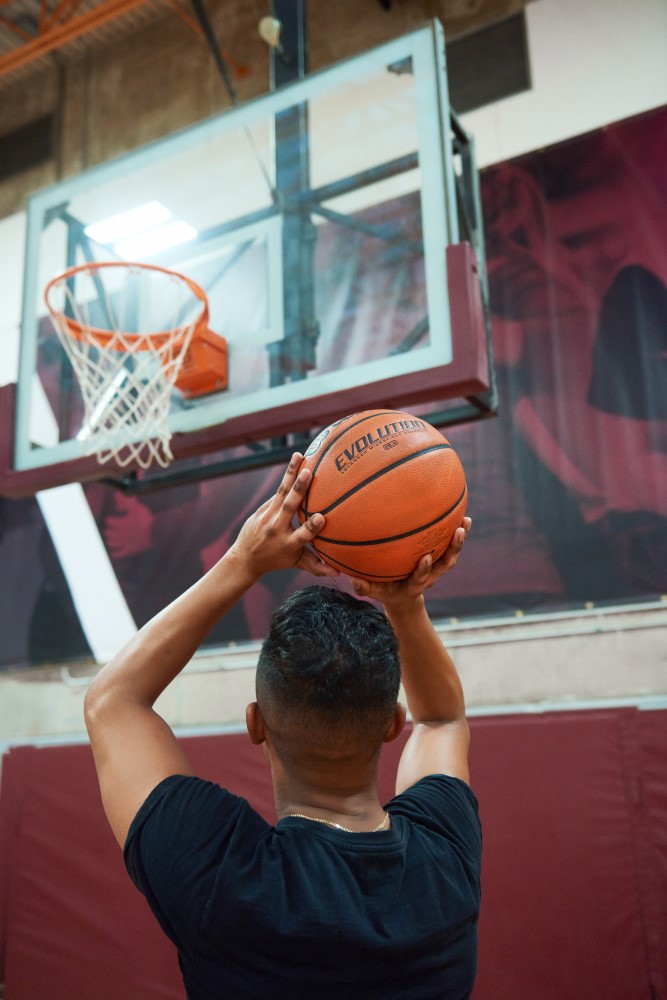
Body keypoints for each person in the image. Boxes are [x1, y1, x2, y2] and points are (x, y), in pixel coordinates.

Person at [84, 453, 480, 999]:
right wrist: (404, 602)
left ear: (256, 723)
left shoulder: (219, 878)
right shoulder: (445, 861)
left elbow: (112, 701)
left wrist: (243, 561)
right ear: (393, 723)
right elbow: (442, 720)